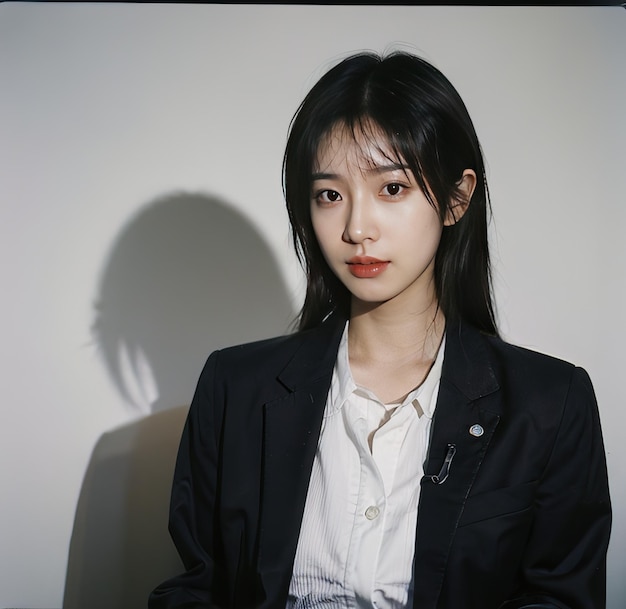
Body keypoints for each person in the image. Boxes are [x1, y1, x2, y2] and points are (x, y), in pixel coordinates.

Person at [149, 51, 611, 609]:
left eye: (391, 188)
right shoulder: (234, 387)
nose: (356, 228)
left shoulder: (550, 403)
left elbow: (560, 597)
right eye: (330, 194)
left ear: (456, 199)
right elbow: (195, 587)